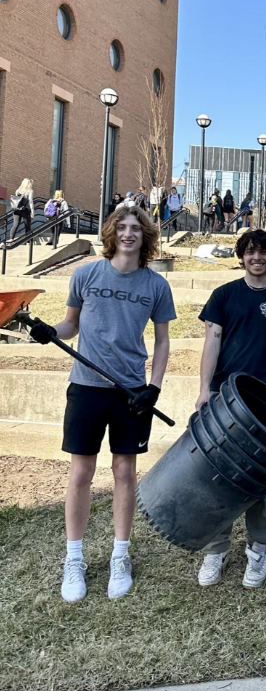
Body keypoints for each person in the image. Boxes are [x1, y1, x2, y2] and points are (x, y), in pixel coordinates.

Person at [26, 207, 175, 602]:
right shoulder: (87, 274)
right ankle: (74, 559)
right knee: (81, 474)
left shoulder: (156, 285)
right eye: (122, 228)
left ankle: (119, 555)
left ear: (146, 237)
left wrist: (153, 388)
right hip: (87, 388)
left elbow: (162, 342)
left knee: (125, 472)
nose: (128, 234)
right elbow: (70, 325)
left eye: (136, 229)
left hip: (131, 392)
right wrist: (48, 330)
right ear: (111, 233)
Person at [194, 230, 266, 589]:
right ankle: (216, 549)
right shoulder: (224, 295)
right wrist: (203, 390)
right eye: (251, 252)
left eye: (265, 252)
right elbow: (212, 344)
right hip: (225, 397)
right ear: (242, 256)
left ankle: (259, 549)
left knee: (262, 480)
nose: (257, 258)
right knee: (219, 475)